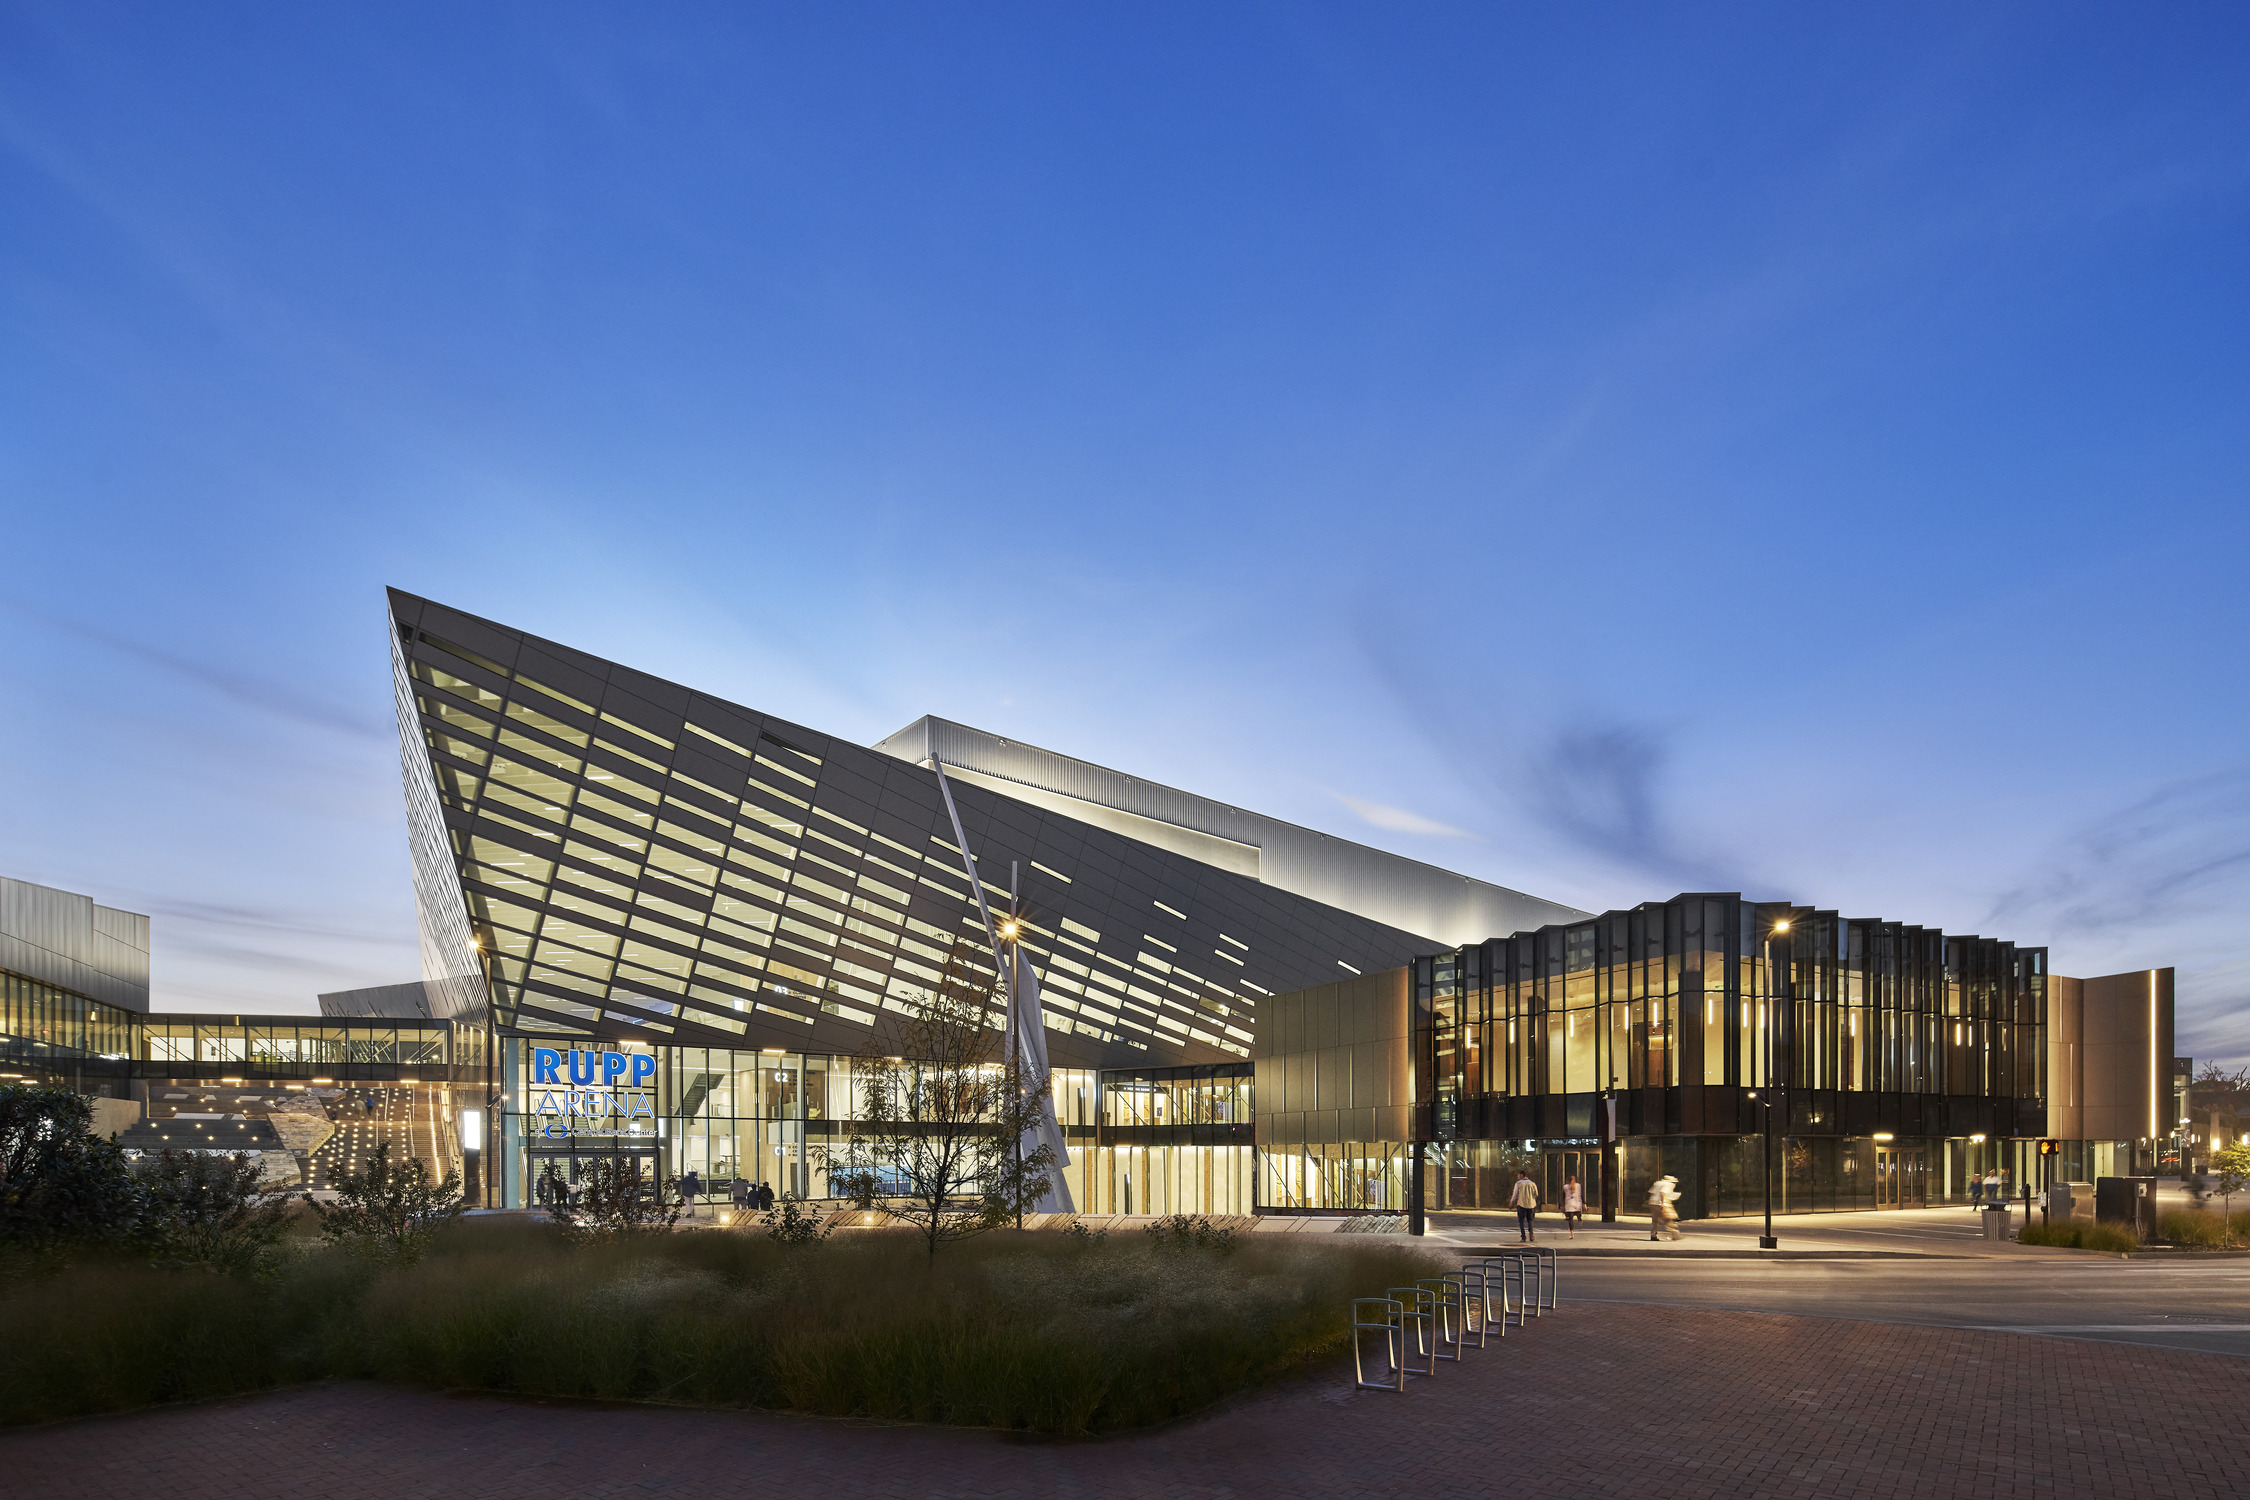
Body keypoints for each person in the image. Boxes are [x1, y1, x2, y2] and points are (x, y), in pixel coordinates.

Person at [1507, 1170, 1540, 1242]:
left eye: (1518, 1175)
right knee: (1530, 1220)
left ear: (1521, 1175)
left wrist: (1511, 1202)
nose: (1517, 1176)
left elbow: (1515, 1194)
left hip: (1521, 1204)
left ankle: (1523, 1237)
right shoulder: (1532, 1183)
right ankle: (1531, 1235)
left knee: (1521, 1221)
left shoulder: (1518, 1183)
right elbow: (1536, 1194)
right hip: (1531, 1204)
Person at [1648, 1174, 1683, 1241]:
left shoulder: (1657, 1183)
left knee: (1655, 1220)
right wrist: (1663, 1203)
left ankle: (1653, 1235)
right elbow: (1663, 1192)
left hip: (1653, 1202)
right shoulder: (1669, 1184)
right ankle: (1675, 1234)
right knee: (1668, 1220)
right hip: (1661, 1203)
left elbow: (1652, 1192)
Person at [1560, 1174, 1586, 1239]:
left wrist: (1562, 1205)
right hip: (1577, 1203)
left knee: (1570, 1220)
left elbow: (1563, 1197)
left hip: (1569, 1204)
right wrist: (1584, 1203)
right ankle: (1579, 1218)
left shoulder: (1565, 1187)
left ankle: (1572, 1234)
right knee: (1578, 1213)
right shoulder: (1578, 1186)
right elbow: (1582, 1195)